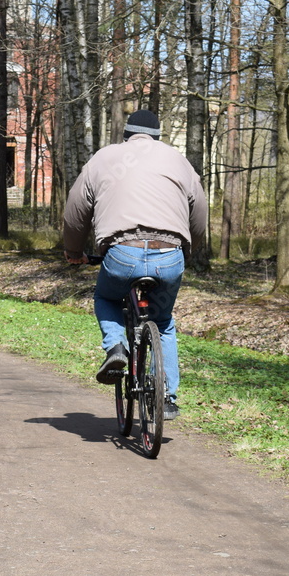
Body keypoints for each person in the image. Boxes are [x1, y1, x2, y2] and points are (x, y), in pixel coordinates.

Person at [62, 109, 206, 420]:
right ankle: (166, 397)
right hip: (169, 254)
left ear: (127, 135)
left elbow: (76, 208)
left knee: (106, 297)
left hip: (121, 253)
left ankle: (116, 347)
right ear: (157, 136)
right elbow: (199, 211)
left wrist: (73, 250)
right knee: (163, 321)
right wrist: (189, 251)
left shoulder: (105, 158)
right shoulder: (177, 159)